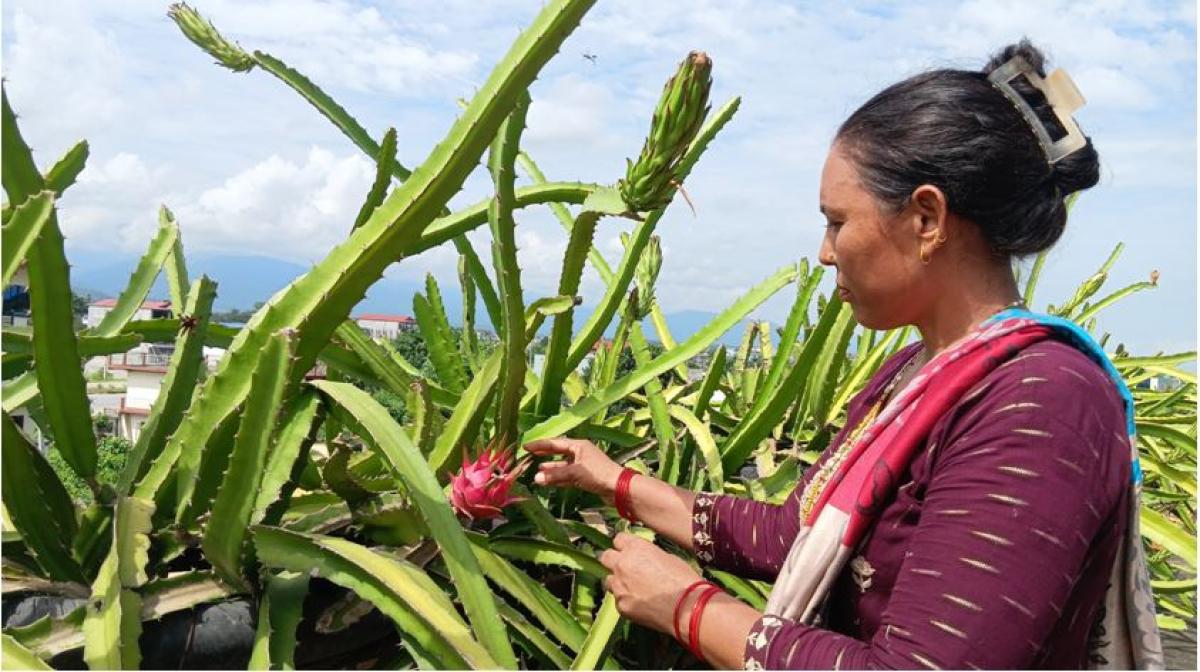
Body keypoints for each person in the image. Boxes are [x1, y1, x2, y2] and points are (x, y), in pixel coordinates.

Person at [525, 40, 1164, 670]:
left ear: (927, 218)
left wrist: (688, 607)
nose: (826, 252)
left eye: (837, 221)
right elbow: (792, 534)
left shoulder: (1040, 402)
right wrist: (615, 481)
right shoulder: (918, 376)